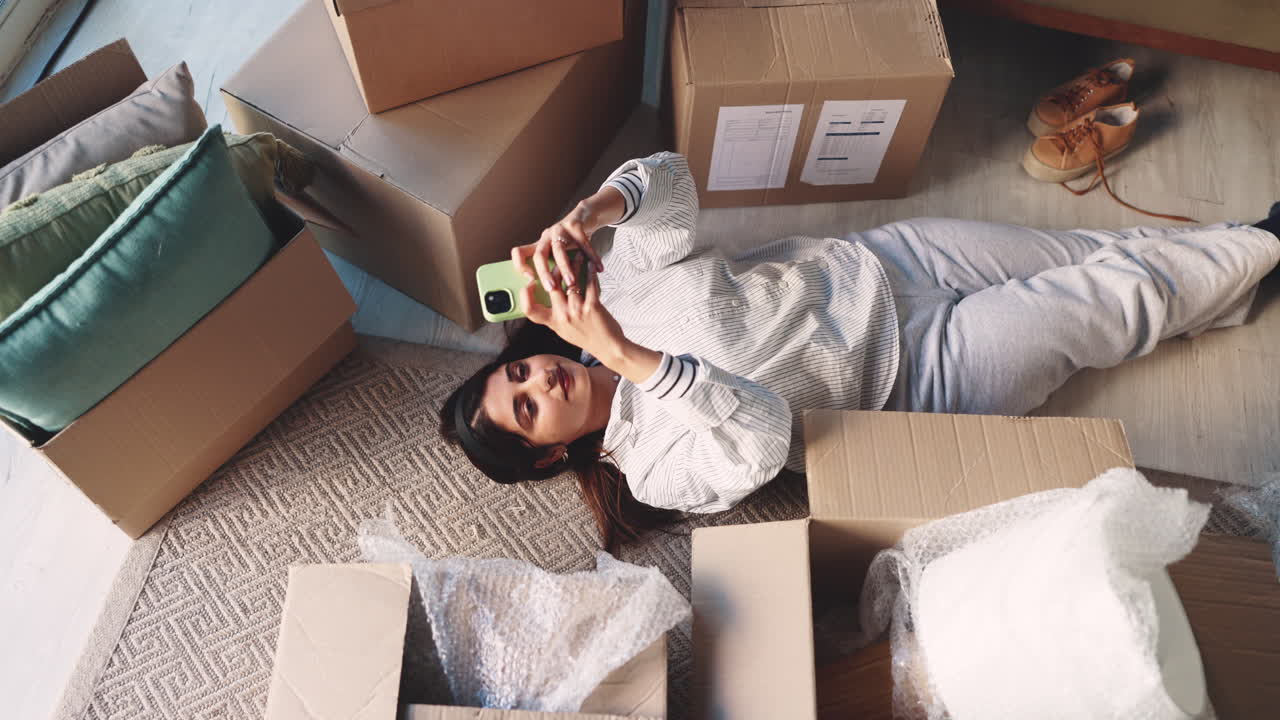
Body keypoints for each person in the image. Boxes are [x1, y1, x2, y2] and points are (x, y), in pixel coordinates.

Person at [441, 152, 1280, 551]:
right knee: (1107, 302)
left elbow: (673, 182)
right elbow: (762, 438)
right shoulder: (655, 470)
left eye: (516, 372)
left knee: (1079, 252)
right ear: (552, 454)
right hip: (919, 377)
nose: (539, 378)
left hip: (888, 262)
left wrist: (596, 211)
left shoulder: (612, 287)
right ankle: (1265, 246)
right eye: (526, 408)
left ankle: (1239, 267)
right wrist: (624, 357)